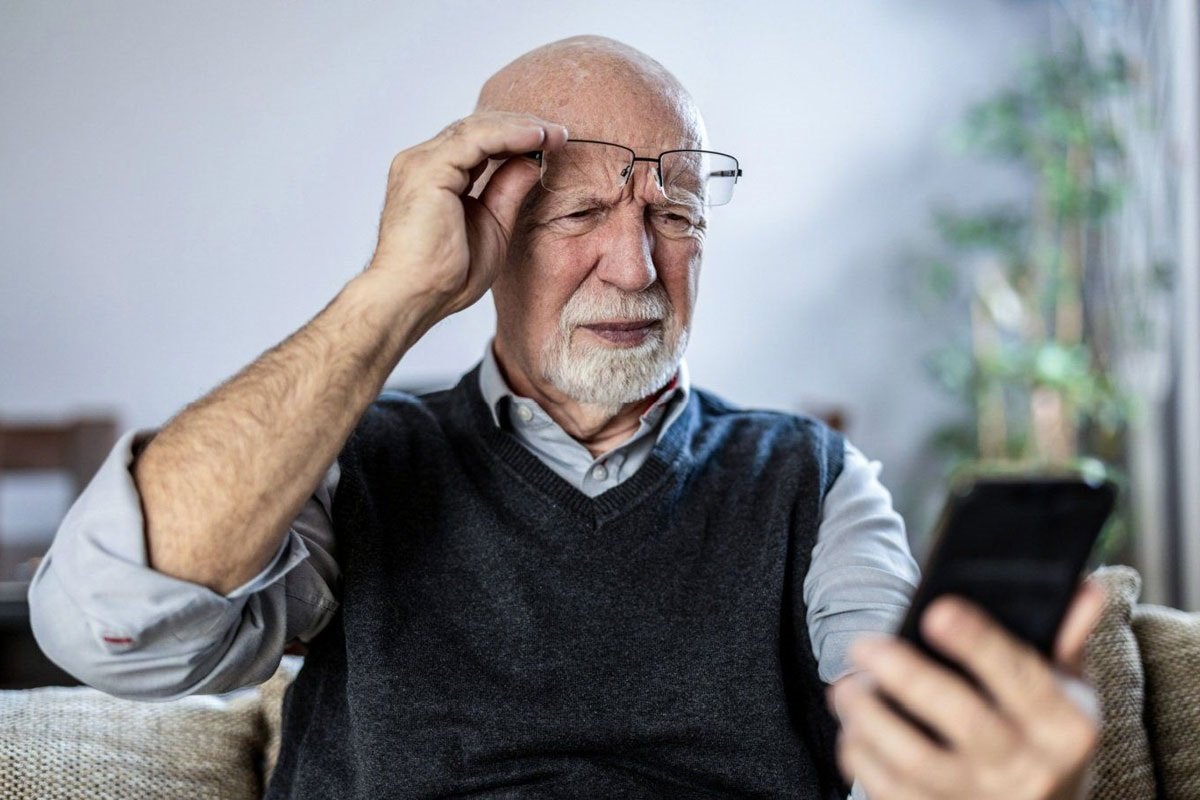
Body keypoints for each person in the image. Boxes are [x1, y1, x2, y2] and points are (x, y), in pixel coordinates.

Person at [28, 35, 1102, 800]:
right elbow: (110, 627)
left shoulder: (810, 478)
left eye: (673, 214)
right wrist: (389, 297)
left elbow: (897, 722)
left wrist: (970, 770)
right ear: (481, 240)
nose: (636, 265)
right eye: (581, 212)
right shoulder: (359, 456)